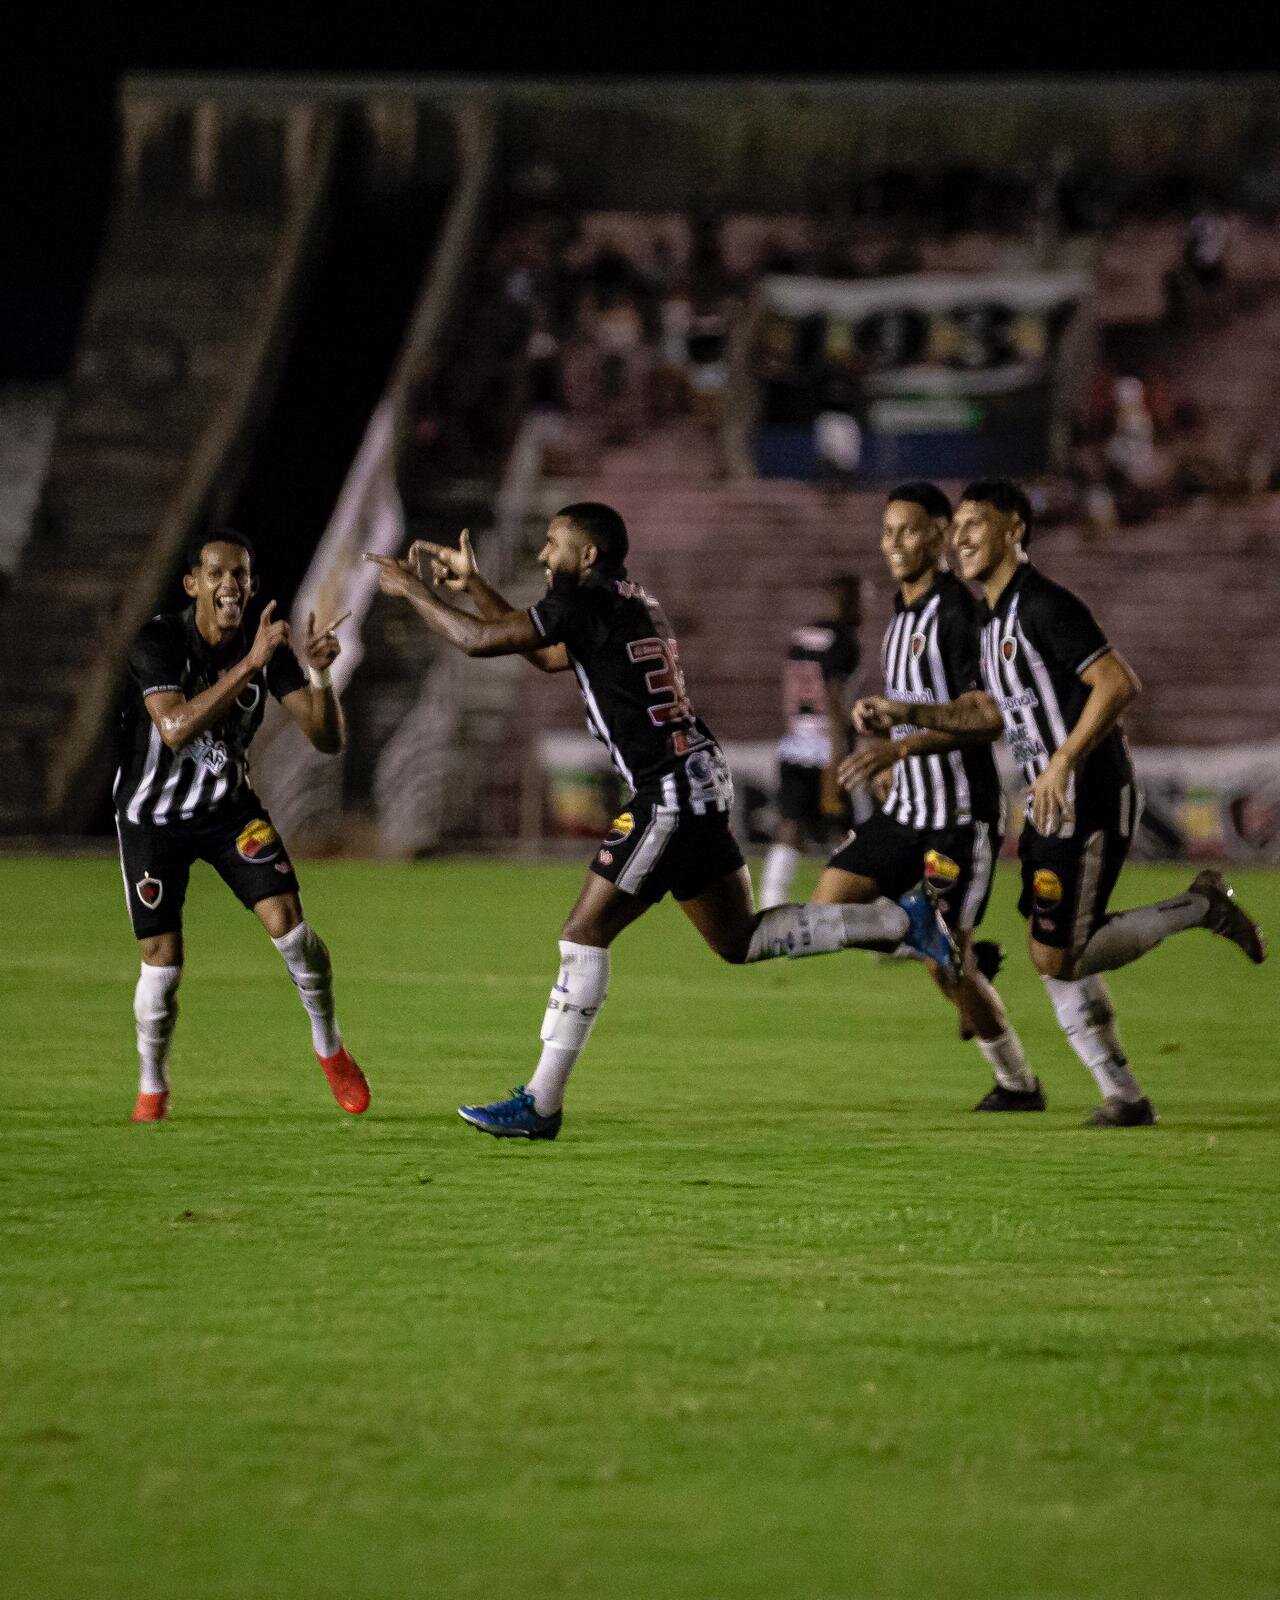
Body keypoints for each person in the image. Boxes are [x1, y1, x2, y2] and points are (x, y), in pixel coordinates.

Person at [366, 503, 959, 1140]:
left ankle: (541, 1103)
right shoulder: (630, 601)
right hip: (700, 778)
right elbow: (539, 653)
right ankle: (899, 919)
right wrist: (477, 585)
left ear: (587, 555)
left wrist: (413, 592)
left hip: (669, 792)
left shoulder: (582, 602)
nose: (542, 556)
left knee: (583, 932)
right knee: (738, 941)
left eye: (552, 544)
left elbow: (481, 641)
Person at [855, 479, 1266, 1127]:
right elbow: (988, 711)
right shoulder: (991, 618)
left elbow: (1117, 682)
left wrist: (1065, 761)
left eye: (975, 524)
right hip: (1051, 800)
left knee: (1057, 955)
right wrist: (904, 723)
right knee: (1055, 954)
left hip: (1089, 791)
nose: (959, 536)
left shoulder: (1044, 605)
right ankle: (1125, 1099)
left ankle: (1200, 906)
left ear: (1015, 530)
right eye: (955, 526)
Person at [115, 530, 369, 1123]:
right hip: (153, 817)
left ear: (251, 585)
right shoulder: (157, 640)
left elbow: (327, 740)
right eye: (217, 573)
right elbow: (174, 727)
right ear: (193, 584)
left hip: (229, 811)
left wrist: (321, 677)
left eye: (241, 575)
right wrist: (250, 665)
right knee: (163, 961)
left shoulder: (267, 649)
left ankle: (329, 1047)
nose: (230, 584)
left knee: (291, 929)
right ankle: (153, 1086)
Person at [822, 483, 1041, 1111]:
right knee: (828, 908)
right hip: (905, 811)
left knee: (951, 977)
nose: (893, 544)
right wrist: (884, 734)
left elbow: (986, 715)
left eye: (909, 531)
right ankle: (934, 938)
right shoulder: (898, 615)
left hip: (957, 818)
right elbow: (913, 711)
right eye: (887, 531)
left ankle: (1018, 1085)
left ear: (942, 536)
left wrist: (902, 746)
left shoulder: (958, 613)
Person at [758, 574, 862, 910]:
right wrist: (837, 755)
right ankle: (850, 904)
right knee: (842, 830)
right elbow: (834, 699)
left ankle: (771, 901)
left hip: (794, 742)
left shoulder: (801, 637)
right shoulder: (843, 641)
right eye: (858, 599)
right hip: (825, 747)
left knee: (791, 824)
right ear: (844, 600)